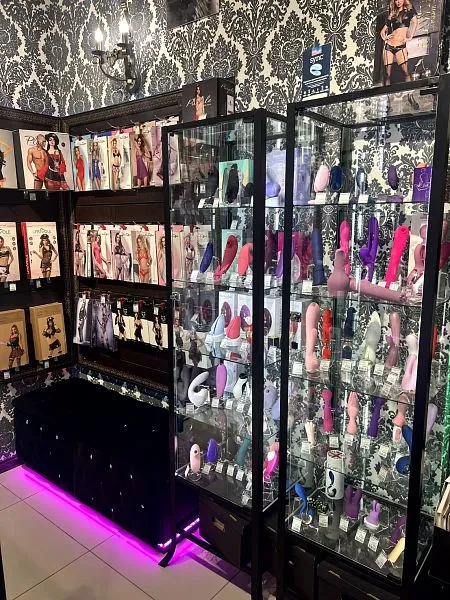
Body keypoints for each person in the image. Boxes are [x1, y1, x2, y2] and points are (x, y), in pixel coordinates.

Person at [380, 0, 418, 85]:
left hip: (400, 46)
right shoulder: (393, 13)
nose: (398, 1)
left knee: (406, 72)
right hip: (389, 46)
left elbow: (415, 23)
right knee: (387, 74)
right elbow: (382, 31)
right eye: (396, 0)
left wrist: (410, 37)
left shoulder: (410, 10)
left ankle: (409, 91)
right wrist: (385, 37)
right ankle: (387, 92)